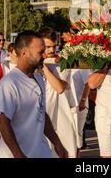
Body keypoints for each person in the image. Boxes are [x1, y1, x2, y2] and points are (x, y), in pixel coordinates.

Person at [0, 30, 67, 158]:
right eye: (40, 52)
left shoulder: (39, 78)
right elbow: (3, 122)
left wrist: (57, 143)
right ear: (24, 53)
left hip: (41, 152)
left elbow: (41, 112)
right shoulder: (9, 83)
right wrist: (18, 154)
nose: (45, 56)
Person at [39, 28, 78, 158]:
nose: (51, 50)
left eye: (53, 46)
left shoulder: (62, 62)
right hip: (39, 118)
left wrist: (43, 67)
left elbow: (60, 87)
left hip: (60, 118)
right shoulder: (32, 63)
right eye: (47, 47)